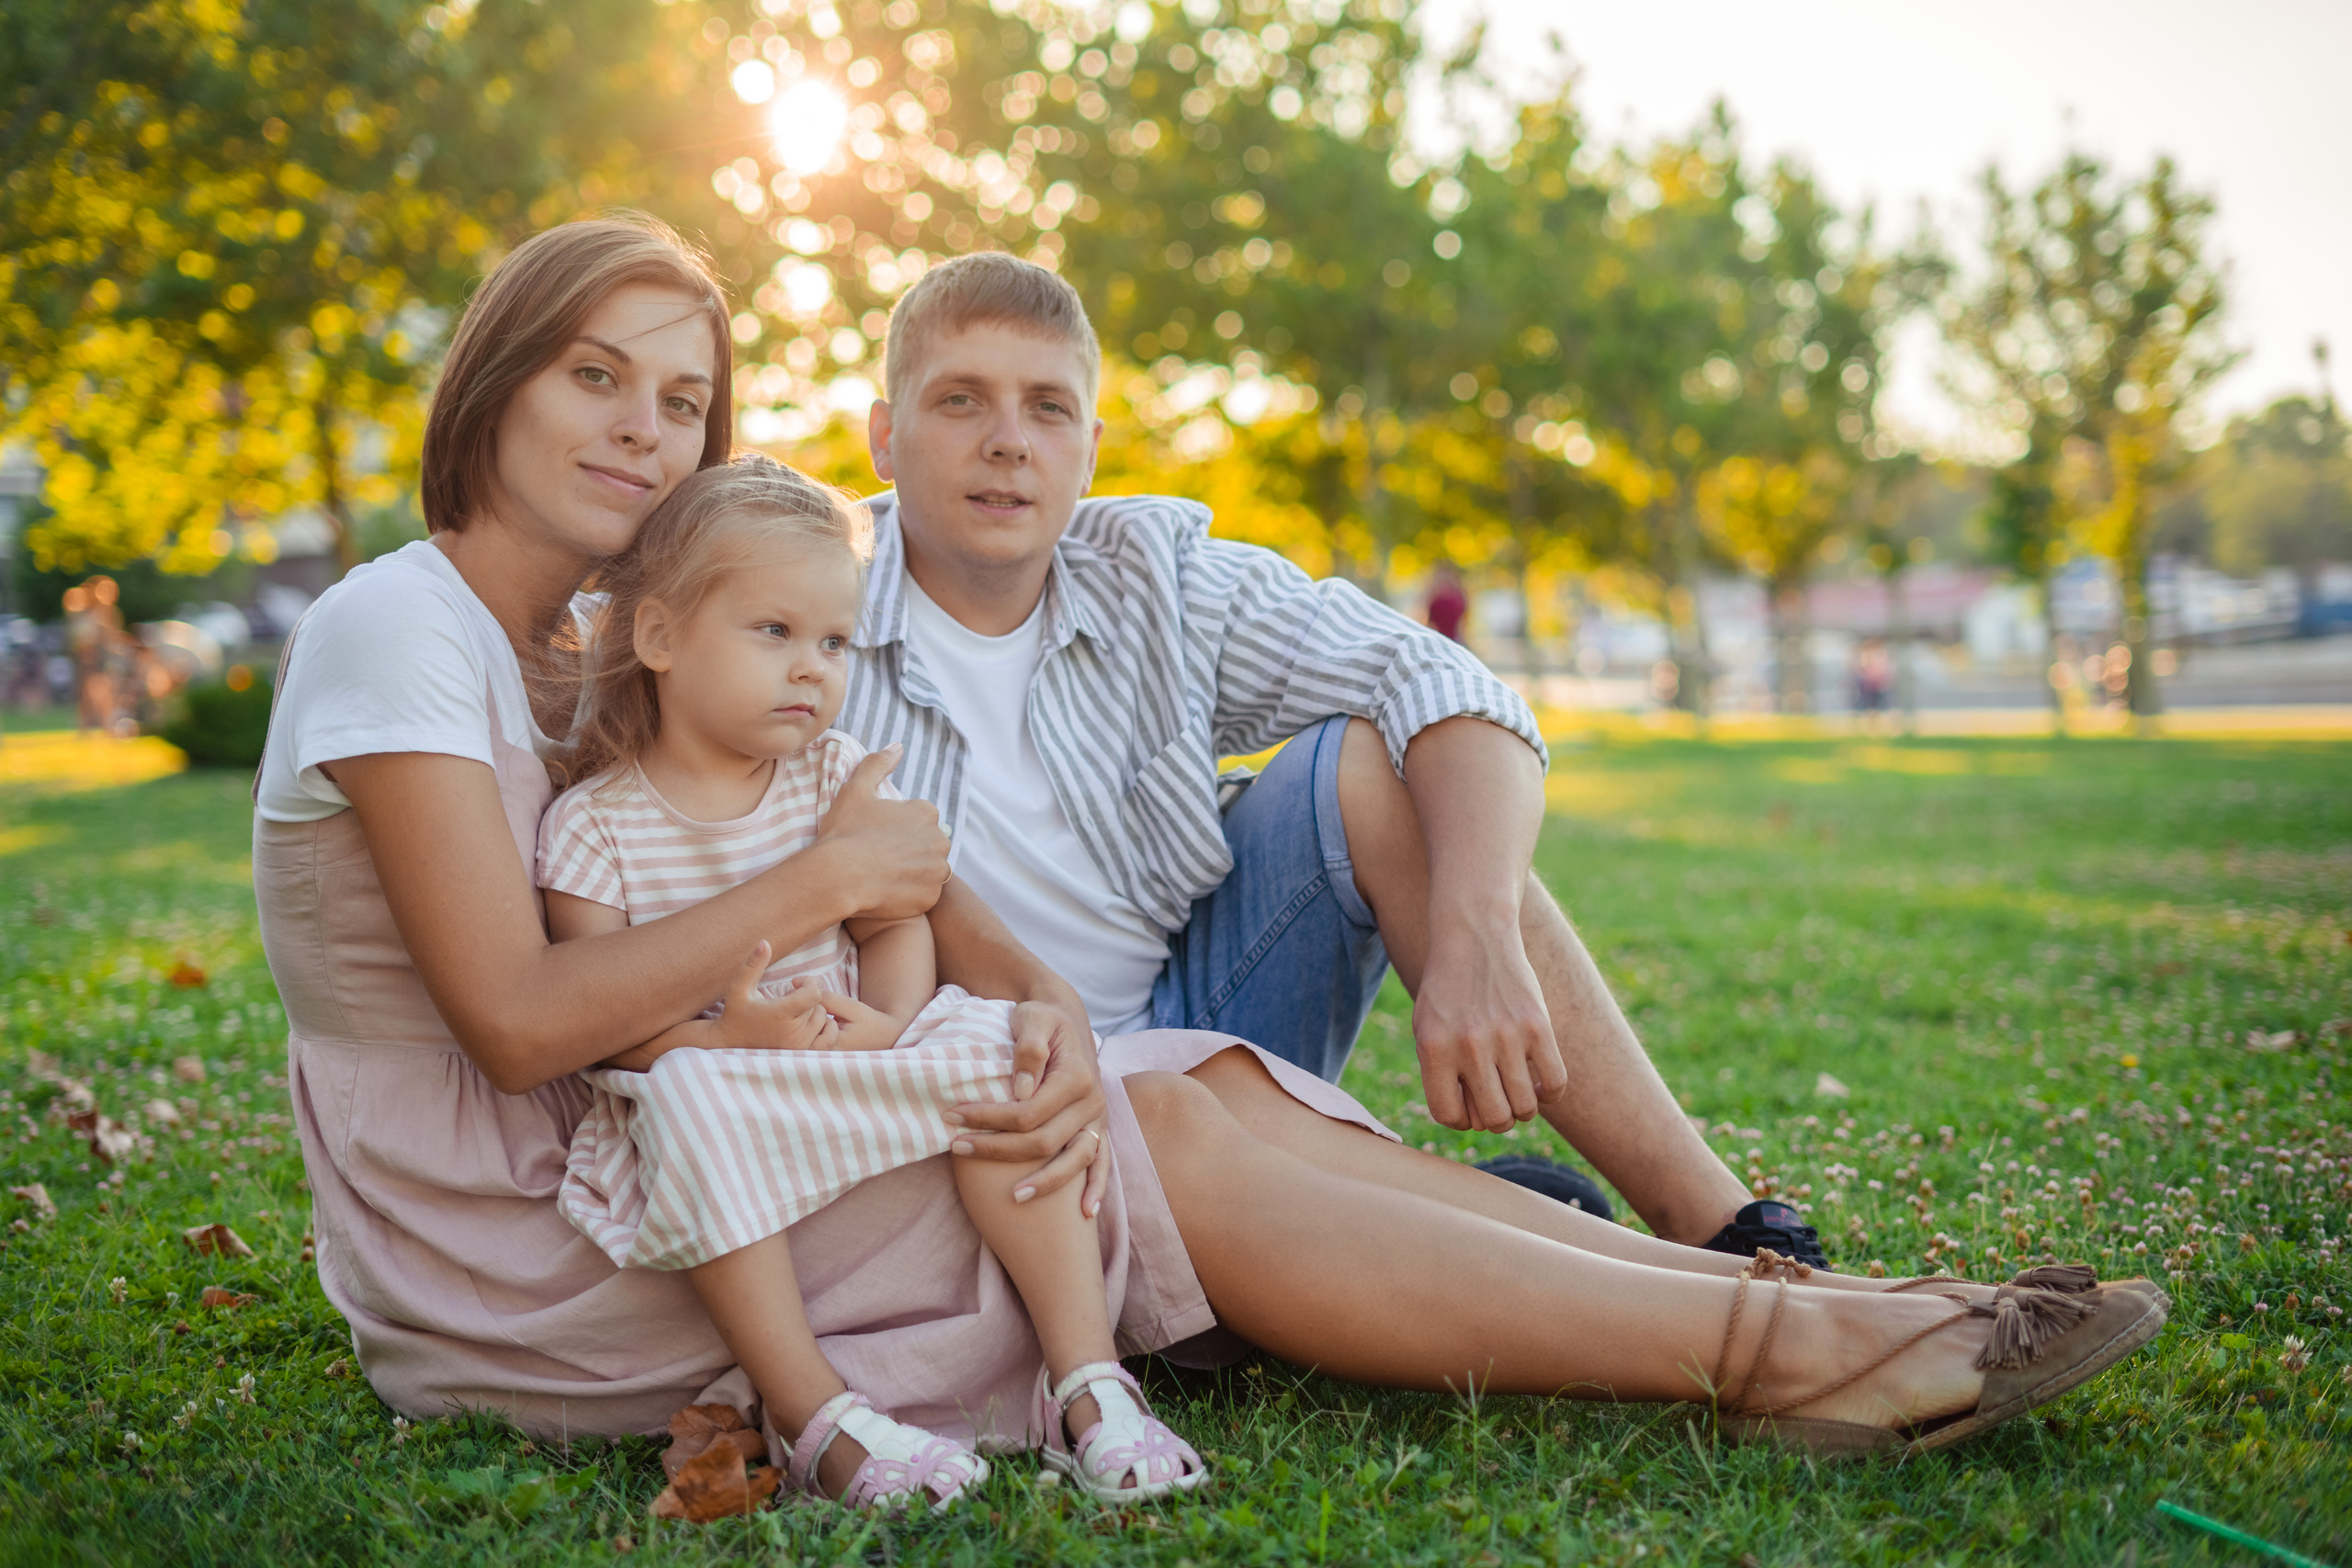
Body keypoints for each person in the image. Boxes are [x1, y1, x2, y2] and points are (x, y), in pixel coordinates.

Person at [251, 218, 2162, 1505]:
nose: (640, 430)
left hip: (700, 1112)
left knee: (1147, 1072)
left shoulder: (580, 647)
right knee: (1147, 1121)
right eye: (596, 379)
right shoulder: (403, 623)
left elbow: (849, 858)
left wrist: (1019, 991)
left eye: (677, 399)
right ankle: (1786, 1348)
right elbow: (518, 1024)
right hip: (525, 1230)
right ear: (495, 378)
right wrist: (835, 895)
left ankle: (1801, 1300)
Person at [840, 253, 1802, 1262]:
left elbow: (1451, 687)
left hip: (1198, 1039)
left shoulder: (1156, 575)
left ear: (1088, 451)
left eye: (1046, 408)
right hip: (953, 1088)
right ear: (885, 437)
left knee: (1370, 766)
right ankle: (1370, 1218)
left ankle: (1732, 1230)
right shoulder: (801, 597)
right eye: (960, 401)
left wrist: (1474, 935)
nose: (1007, 443)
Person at [536, 455, 1206, 1505]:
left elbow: (897, 922)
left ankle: (1088, 1382)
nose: (814, 669)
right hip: (718, 1079)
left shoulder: (831, 777)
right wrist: (721, 1043)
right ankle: (818, 1417)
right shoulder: (596, 829)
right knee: (691, 1098)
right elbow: (595, 1020)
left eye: (835, 641)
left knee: (996, 1046)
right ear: (660, 637)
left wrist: (888, 1023)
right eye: (775, 633)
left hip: (854, 1052)